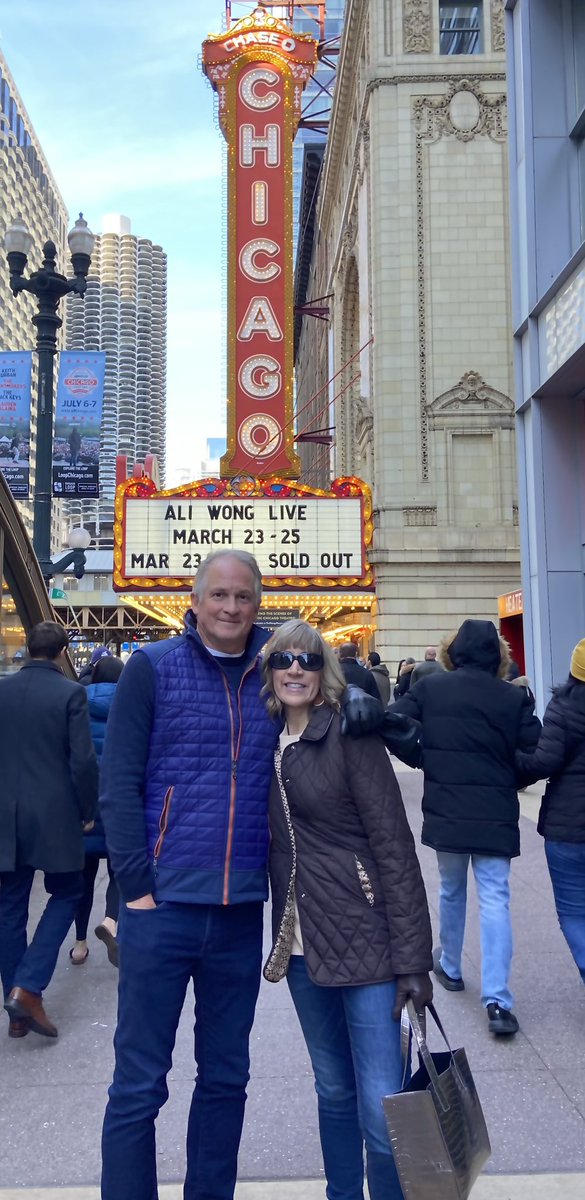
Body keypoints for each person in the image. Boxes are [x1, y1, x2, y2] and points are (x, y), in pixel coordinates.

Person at [99, 550, 395, 1200]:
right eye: (220, 596)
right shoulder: (151, 668)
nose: (231, 608)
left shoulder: (276, 664)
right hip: (162, 908)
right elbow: (117, 784)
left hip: (239, 916)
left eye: (243, 597)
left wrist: (366, 705)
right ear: (197, 601)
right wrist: (137, 890)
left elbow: (321, 693)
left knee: (226, 1078)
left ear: (256, 603)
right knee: (139, 1084)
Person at [262, 619, 433, 1200]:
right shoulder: (263, 738)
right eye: (283, 659)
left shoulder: (350, 736)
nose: (294, 670)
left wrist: (414, 961)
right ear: (268, 670)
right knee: (333, 1092)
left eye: (308, 661)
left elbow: (394, 847)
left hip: (369, 944)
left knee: (383, 1111)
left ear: (324, 671)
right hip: (303, 948)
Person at [393, 619, 541, 1036]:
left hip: (447, 809)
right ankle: (497, 1000)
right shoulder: (511, 697)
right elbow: (536, 749)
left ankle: (451, 965)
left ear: (451, 653)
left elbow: (393, 723)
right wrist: (511, 777)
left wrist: (422, 757)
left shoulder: (431, 688)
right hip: (495, 810)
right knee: (495, 898)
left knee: (450, 887)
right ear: (499, 656)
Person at [0, 621, 98, 1039]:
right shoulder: (70, 694)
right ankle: (29, 986)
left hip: (5, 813)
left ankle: (18, 1009)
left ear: (26, 648)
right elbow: (82, 761)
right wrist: (89, 809)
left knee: (8, 908)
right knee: (68, 892)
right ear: (62, 653)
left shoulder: (1, 691)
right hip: (54, 815)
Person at [515, 639, 585, 984]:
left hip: (569, 827)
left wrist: (509, 762)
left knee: (573, 913)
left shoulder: (566, 705)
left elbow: (544, 762)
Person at [69, 655, 124, 968]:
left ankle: (79, 944)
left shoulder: (75, 702)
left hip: (85, 806)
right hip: (118, 804)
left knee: (84, 878)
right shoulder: (130, 703)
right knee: (119, 872)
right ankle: (111, 920)